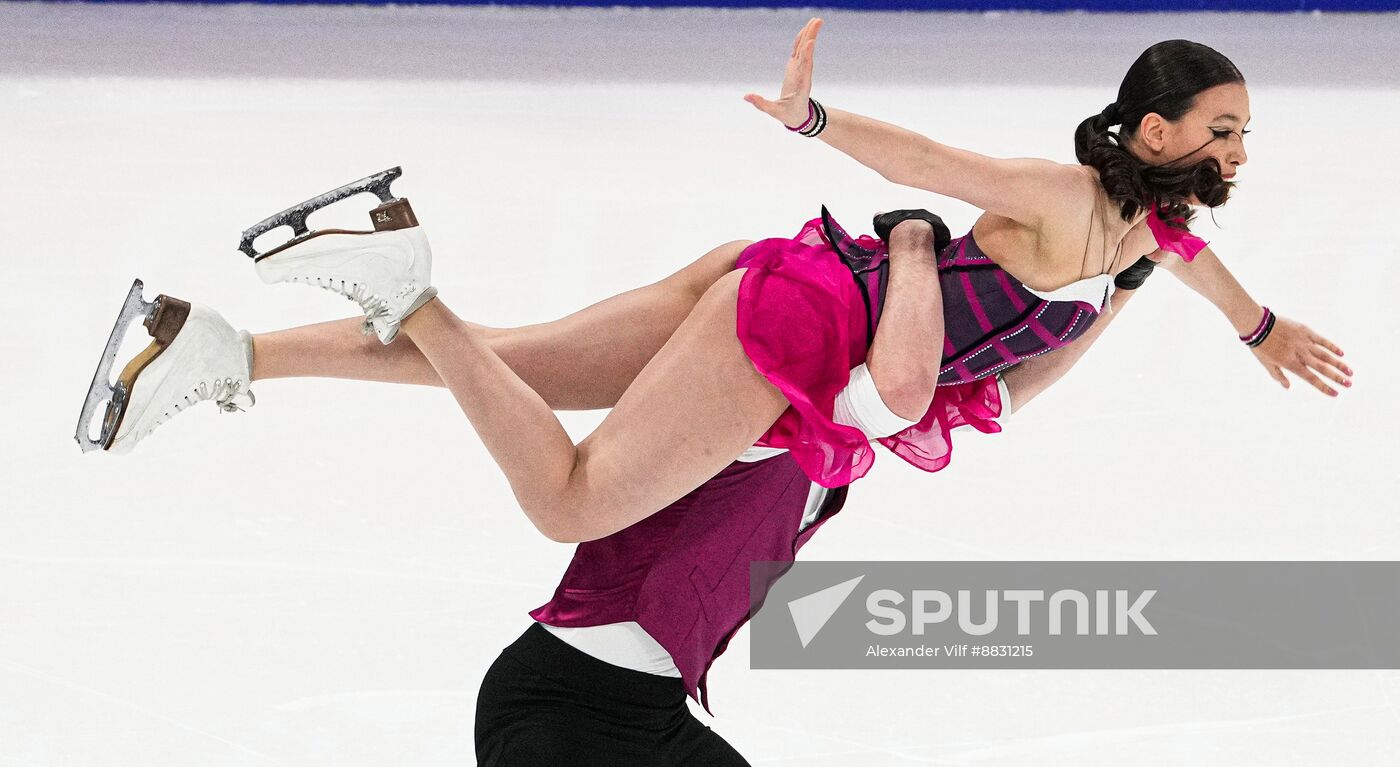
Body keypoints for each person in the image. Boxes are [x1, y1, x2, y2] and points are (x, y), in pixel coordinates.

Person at [74, 19, 1351, 765]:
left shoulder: (1145, 236)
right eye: (1221, 127)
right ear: (1149, 128)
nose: (1238, 148)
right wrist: (812, 121)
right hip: (813, 327)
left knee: (511, 364)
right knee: (574, 498)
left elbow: (1195, 271)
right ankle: (407, 289)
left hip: (808, 300)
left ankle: (216, 348)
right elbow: (925, 159)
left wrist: (1258, 330)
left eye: (1243, 130)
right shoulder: (1061, 195)